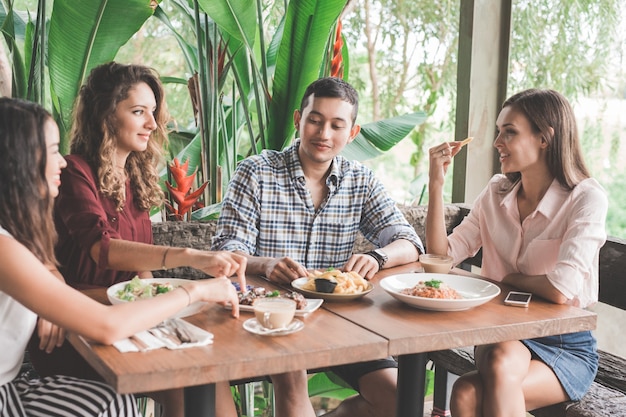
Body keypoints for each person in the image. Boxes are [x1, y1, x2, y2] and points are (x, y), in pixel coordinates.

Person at [26, 62, 247, 417]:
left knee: (207, 371)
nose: (153, 124)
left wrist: (165, 315)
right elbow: (104, 250)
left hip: (128, 319)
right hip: (78, 327)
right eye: (138, 112)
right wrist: (190, 256)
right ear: (106, 115)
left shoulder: (136, 179)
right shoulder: (73, 172)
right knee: (181, 377)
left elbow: (141, 277)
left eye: (154, 112)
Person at [212, 77, 425, 417]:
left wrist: (376, 256)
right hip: (274, 315)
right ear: (299, 119)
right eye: (315, 120)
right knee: (293, 379)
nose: (324, 134)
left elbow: (409, 241)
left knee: (401, 400)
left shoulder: (361, 181)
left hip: (343, 321)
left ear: (351, 133)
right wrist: (265, 265)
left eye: (337, 125)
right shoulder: (256, 172)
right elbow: (227, 250)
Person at [425, 89, 607, 416]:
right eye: (499, 131)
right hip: (499, 332)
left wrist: (509, 278)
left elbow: (561, 289)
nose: (498, 142)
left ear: (544, 138)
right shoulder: (496, 192)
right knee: (494, 364)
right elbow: (442, 258)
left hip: (563, 343)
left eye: (509, 132)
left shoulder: (585, 198)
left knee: (467, 395)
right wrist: (436, 185)